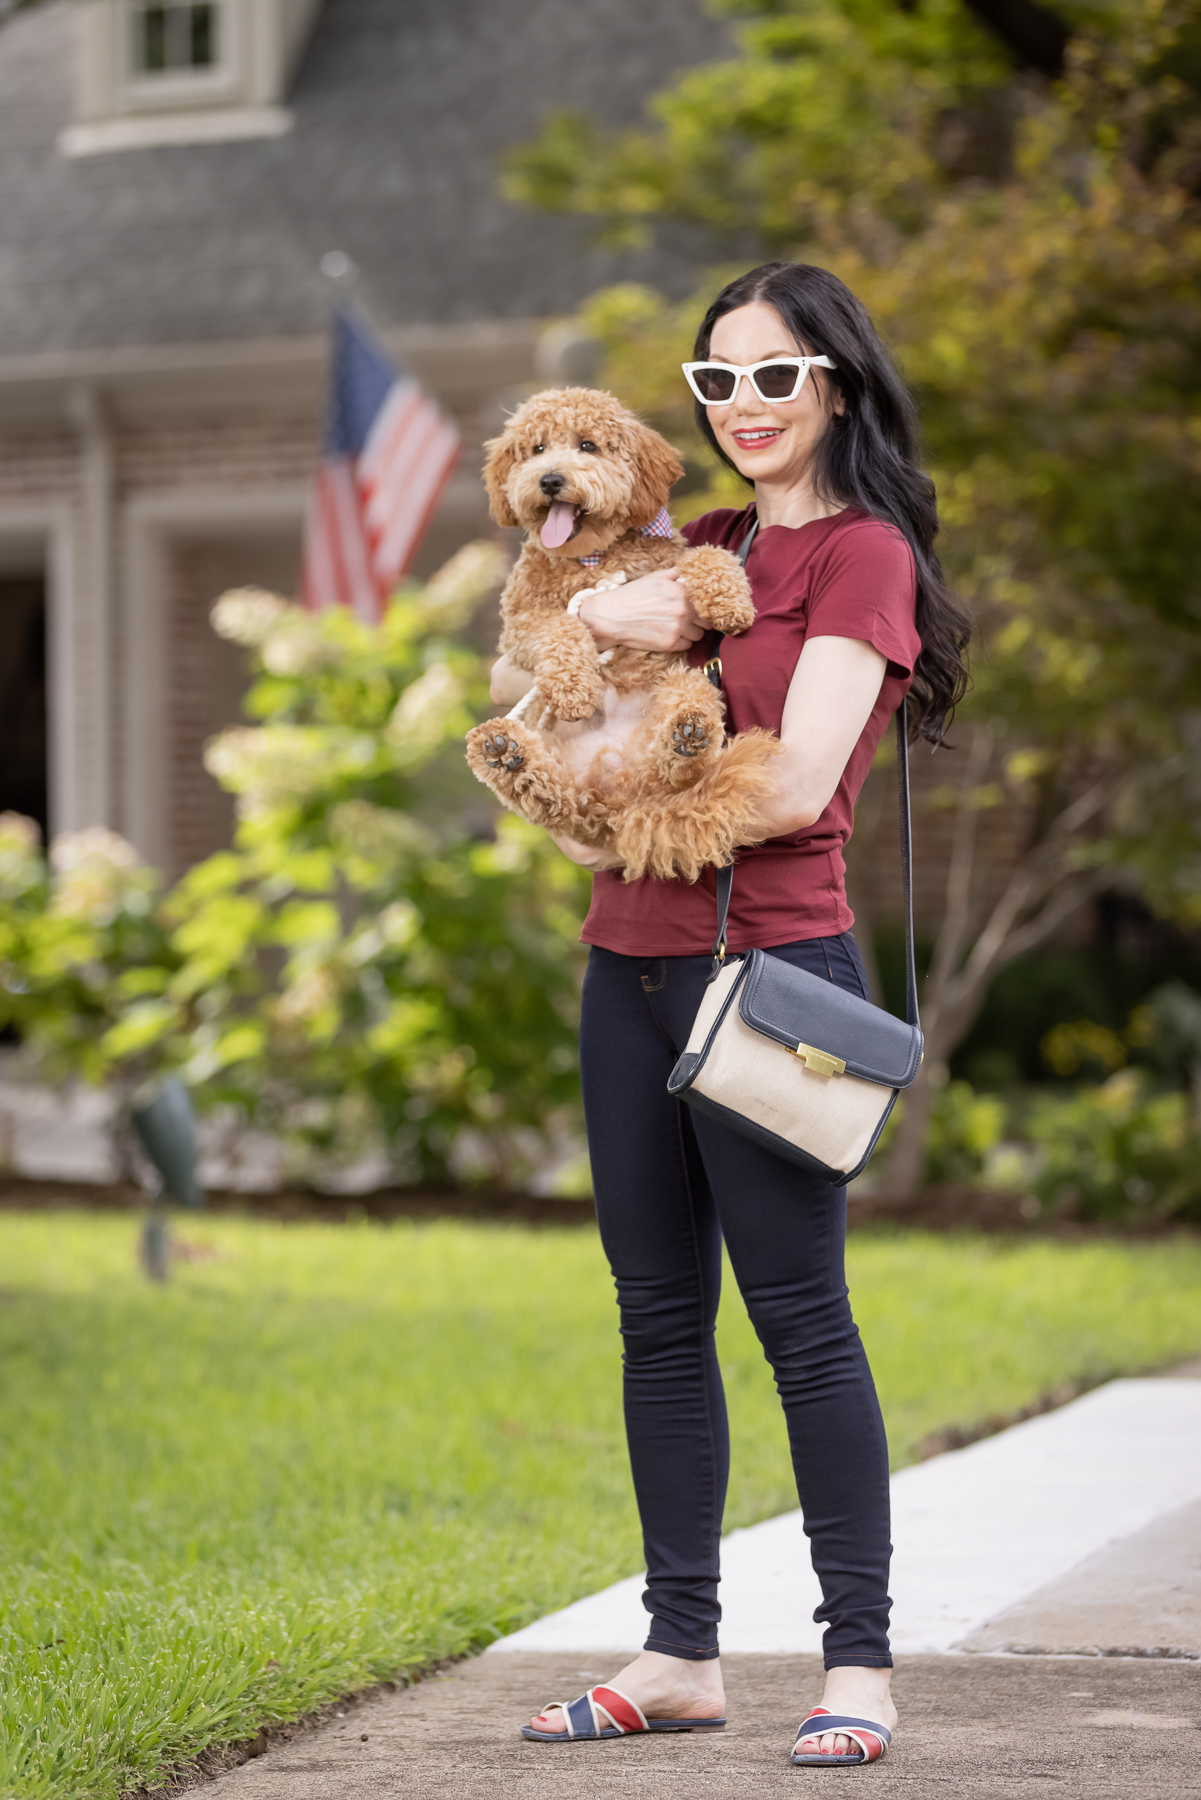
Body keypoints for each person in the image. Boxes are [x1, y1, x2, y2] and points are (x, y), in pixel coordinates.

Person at [491, 261, 970, 1766]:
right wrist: (590, 683)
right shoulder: (685, 546)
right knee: (652, 1320)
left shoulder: (859, 558)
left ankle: (859, 1671)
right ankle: (680, 1651)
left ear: (834, 377)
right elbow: (535, 728)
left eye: (775, 373)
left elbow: (791, 784)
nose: (747, 404)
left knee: (802, 1325)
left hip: (769, 975)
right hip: (623, 972)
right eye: (718, 381)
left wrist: (594, 791)